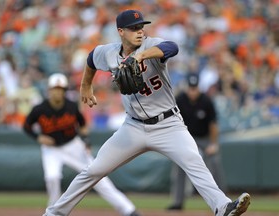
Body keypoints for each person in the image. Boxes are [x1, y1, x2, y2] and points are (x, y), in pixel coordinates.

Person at [43, 9, 251, 216]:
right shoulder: (108, 53)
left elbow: (172, 47)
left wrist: (140, 56)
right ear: (121, 31)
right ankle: (54, 213)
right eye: (134, 28)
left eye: (141, 27)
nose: (140, 31)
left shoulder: (151, 45)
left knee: (194, 162)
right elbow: (91, 58)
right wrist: (85, 85)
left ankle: (223, 207)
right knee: (94, 170)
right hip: (133, 127)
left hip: (168, 124)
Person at [23, 73, 140, 216]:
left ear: (64, 91)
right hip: (51, 150)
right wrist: (38, 137)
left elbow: (82, 125)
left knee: (98, 175)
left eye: (60, 89)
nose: (57, 92)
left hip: (73, 146)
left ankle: (128, 210)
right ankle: (53, 212)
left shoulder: (71, 106)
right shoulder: (39, 109)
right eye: (55, 89)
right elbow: (26, 126)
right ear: (49, 90)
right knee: (52, 178)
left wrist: (86, 140)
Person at [167, 73, 226, 211]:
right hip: (186, 137)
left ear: (199, 87)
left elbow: (213, 124)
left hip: (204, 138)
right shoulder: (180, 99)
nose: (193, 91)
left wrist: (214, 144)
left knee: (215, 164)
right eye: (191, 88)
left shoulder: (206, 100)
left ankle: (224, 201)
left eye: (195, 88)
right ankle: (178, 202)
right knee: (179, 167)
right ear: (187, 87)